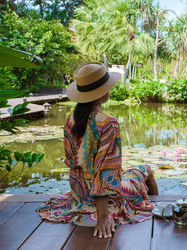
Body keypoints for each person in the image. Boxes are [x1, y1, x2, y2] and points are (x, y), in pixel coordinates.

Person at [37, 62, 158, 238]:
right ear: (104, 92)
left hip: (79, 194)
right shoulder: (108, 123)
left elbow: (74, 162)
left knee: (131, 173)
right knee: (146, 170)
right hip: (106, 200)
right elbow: (105, 173)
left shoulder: (71, 119)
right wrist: (103, 218)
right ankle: (155, 207)